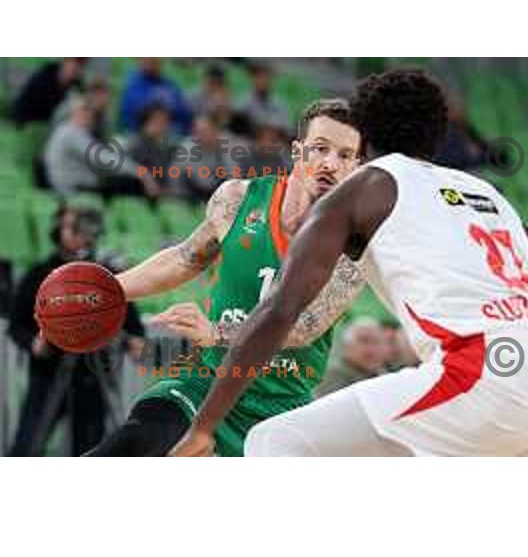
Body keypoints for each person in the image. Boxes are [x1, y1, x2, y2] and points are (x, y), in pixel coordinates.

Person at [171, 68, 528, 457]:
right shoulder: (490, 195)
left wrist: (205, 426)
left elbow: (281, 308)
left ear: (363, 136)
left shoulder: (365, 187)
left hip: (479, 376)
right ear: (436, 135)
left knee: (275, 440)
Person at [86, 99, 366, 457]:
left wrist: (216, 332)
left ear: (357, 167)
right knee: (135, 440)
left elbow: (303, 325)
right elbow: (186, 259)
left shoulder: (355, 245)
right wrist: (107, 291)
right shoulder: (239, 198)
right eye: (321, 149)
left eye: (345, 155)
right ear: (298, 152)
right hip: (207, 380)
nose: (330, 163)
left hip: (279, 404)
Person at [8, 205, 145, 456]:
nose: (82, 233)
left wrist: (134, 339)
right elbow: (16, 325)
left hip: (93, 375)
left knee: (91, 449)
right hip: (48, 373)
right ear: (57, 231)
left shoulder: (107, 277)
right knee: (28, 444)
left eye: (87, 226)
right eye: (74, 226)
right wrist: (33, 343)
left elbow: (131, 321)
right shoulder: (38, 274)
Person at [44, 97, 160, 198]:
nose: (89, 115)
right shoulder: (71, 133)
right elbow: (105, 160)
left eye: (91, 112)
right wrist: (141, 173)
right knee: (131, 183)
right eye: (85, 110)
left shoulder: (66, 131)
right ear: (75, 112)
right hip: (73, 189)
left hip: (71, 186)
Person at [315, 319, 387, 398]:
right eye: (364, 341)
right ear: (347, 346)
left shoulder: (385, 377)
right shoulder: (335, 377)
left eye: (376, 342)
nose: (371, 350)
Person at [119, 58, 192, 135]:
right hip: (139, 136)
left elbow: (185, 116)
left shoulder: (170, 85)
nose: (150, 61)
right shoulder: (133, 86)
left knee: (192, 142)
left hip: (171, 135)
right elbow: (129, 119)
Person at [12, 58, 87, 127]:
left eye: (79, 67)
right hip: (28, 118)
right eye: (73, 65)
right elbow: (33, 100)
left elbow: (81, 103)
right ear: (65, 62)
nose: (75, 70)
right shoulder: (46, 74)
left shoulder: (76, 85)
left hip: (52, 122)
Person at [239, 61, 290, 131]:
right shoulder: (243, 103)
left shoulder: (280, 105)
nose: (262, 80)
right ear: (252, 78)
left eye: (265, 76)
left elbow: (286, 128)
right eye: (259, 76)